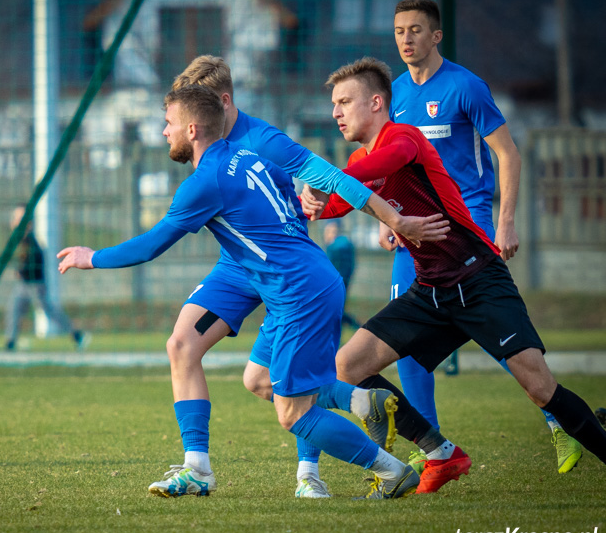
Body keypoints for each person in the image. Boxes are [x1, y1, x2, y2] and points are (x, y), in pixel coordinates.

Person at [58, 84, 453, 499]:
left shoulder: (204, 181)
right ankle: (359, 403)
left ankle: (391, 472)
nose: (163, 132)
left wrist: (92, 257)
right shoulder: (246, 156)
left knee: (293, 412)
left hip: (299, 292)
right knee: (258, 378)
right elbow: (292, 196)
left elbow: (151, 245)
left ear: (193, 129)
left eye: (168, 123)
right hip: (302, 282)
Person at [316, 57, 606, 491]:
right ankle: (440, 453)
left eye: (344, 102)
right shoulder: (362, 158)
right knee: (348, 365)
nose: (335, 112)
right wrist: (311, 201)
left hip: (479, 280)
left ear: (376, 103)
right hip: (430, 291)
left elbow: (367, 173)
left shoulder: (404, 139)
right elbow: (336, 202)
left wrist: (326, 178)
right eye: (334, 104)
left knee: (540, 389)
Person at [383, 0, 583, 474]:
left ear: (436, 36)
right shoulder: (393, 95)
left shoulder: (466, 86)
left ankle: (559, 420)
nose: (406, 40)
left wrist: (505, 220)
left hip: (465, 226)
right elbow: (396, 167)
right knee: (401, 342)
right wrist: (394, 219)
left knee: (498, 337)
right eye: (398, 32)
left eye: (415, 30)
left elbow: (508, 155)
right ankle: (434, 451)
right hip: (416, 233)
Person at [160, 56, 371, 499]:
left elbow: (322, 179)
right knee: (186, 346)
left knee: (293, 381)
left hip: (285, 272)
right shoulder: (208, 152)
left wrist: (386, 218)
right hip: (238, 269)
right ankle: (197, 466)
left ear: (220, 101)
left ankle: (309, 474)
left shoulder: (263, 141)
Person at [4, 206, 88, 351]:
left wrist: (20, 272)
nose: (17, 222)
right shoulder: (20, 240)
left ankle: (76, 334)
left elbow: (32, 262)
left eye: (20, 219)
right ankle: (10, 342)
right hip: (24, 284)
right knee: (14, 310)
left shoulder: (31, 242)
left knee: (49, 310)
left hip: (35, 284)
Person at [322, 219, 359, 333]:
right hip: (338, 282)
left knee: (334, 310)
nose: (330, 233)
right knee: (336, 310)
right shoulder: (333, 246)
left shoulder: (340, 245)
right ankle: (358, 328)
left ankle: (358, 328)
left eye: (333, 230)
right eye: (328, 230)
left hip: (337, 283)